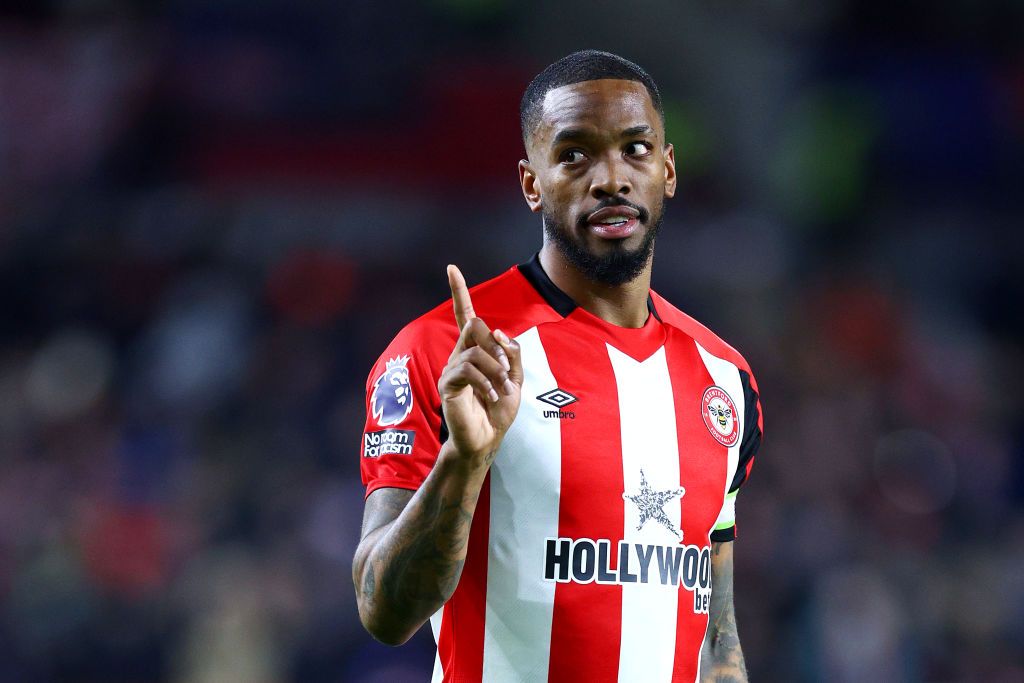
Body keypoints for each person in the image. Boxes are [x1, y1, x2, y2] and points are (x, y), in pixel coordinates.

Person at [352, 49, 763, 682]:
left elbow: (717, 636)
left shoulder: (725, 381)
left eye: (636, 149)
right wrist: (463, 461)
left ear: (669, 170)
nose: (611, 178)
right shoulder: (447, 353)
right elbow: (383, 611)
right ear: (531, 183)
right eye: (574, 155)